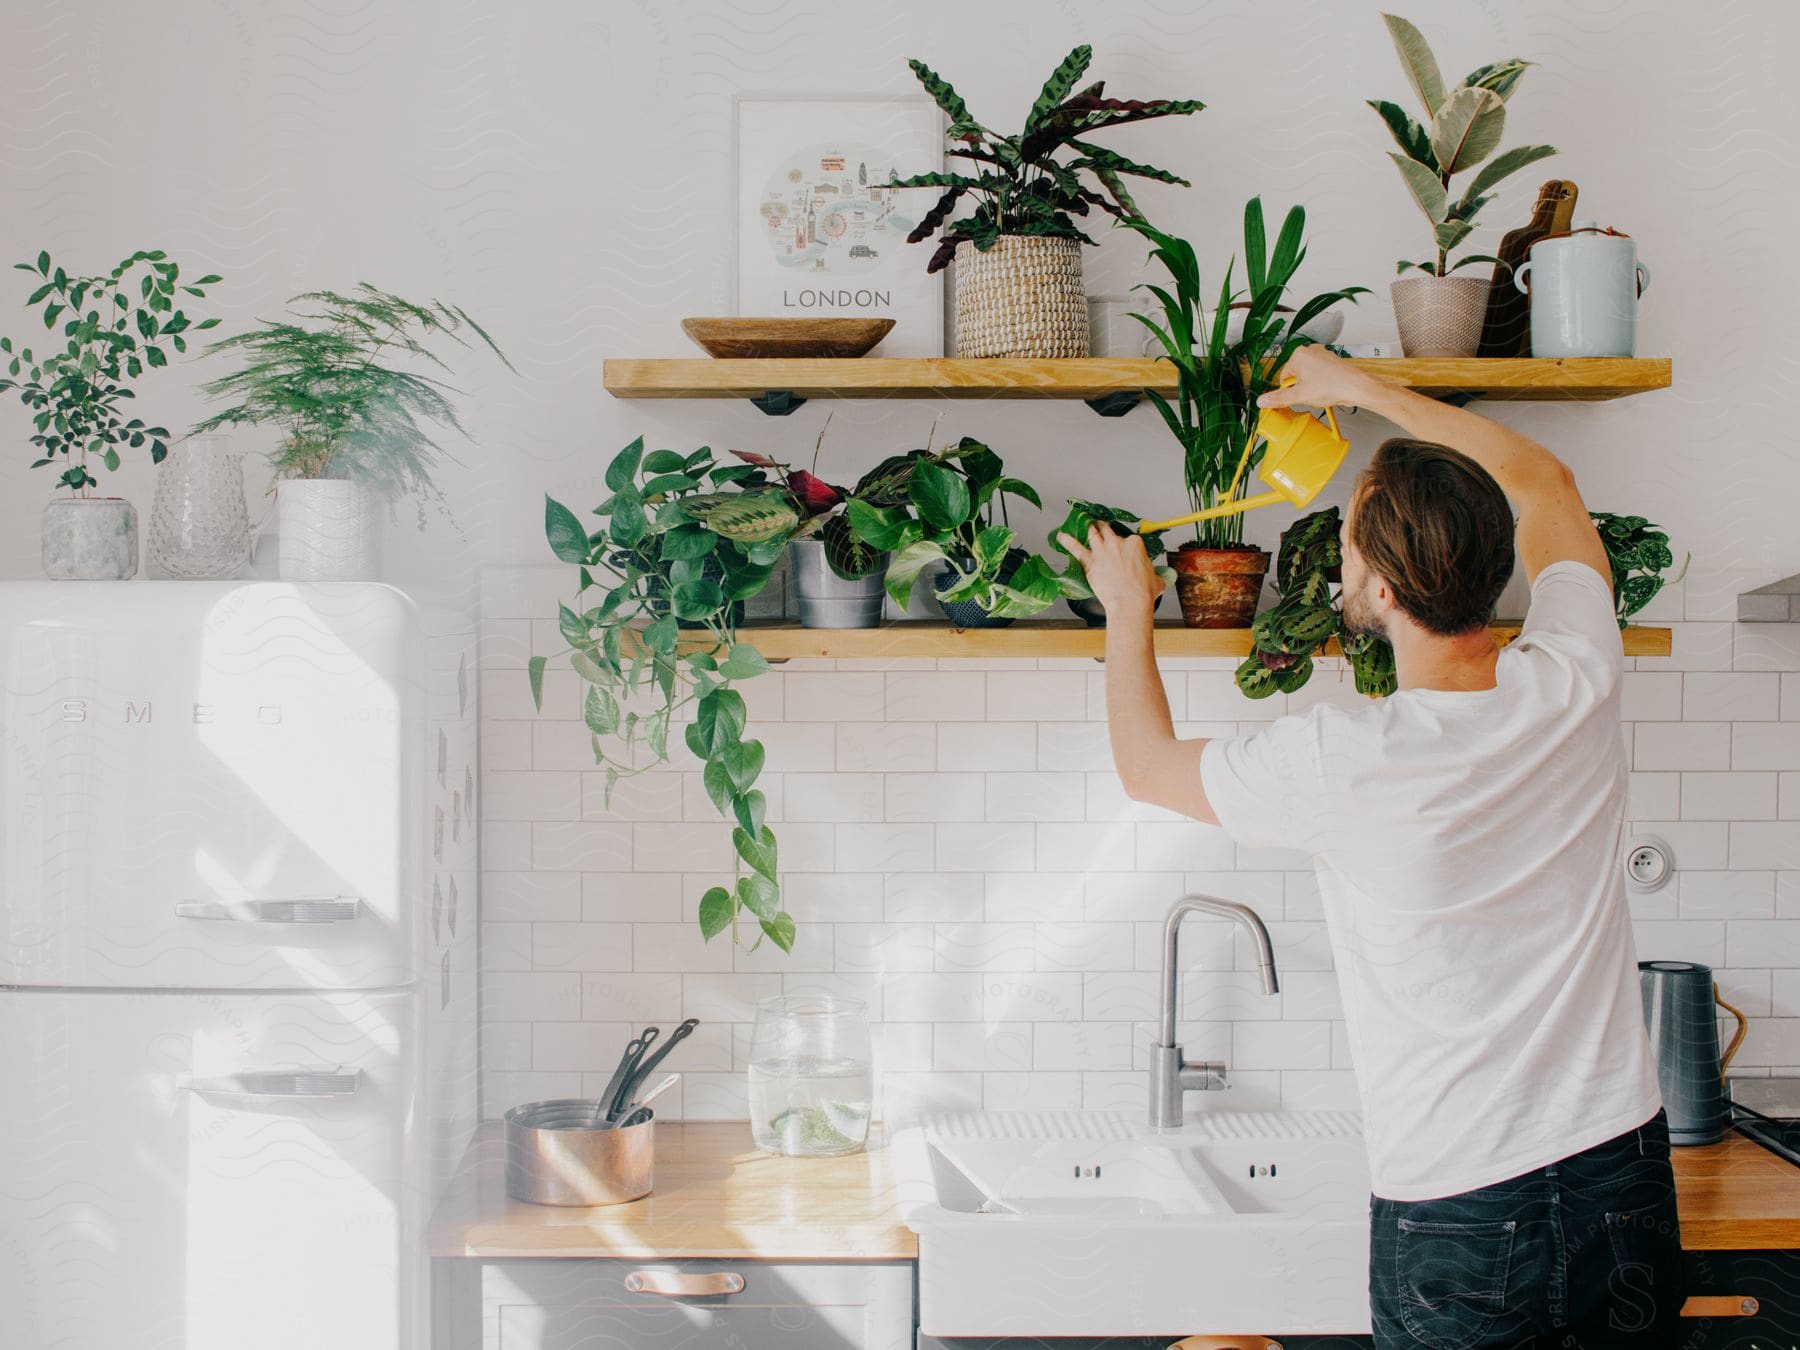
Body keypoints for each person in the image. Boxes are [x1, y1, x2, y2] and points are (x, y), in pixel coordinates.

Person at [1059, 344, 1685, 1348]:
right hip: (1621, 1170)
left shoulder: (1342, 759)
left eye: (1349, 544)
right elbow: (1545, 481)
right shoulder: (1577, 675)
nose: (1339, 559)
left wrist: (1130, 608)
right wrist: (1364, 392)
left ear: (1384, 593)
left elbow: (1146, 766)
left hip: (1464, 1204)